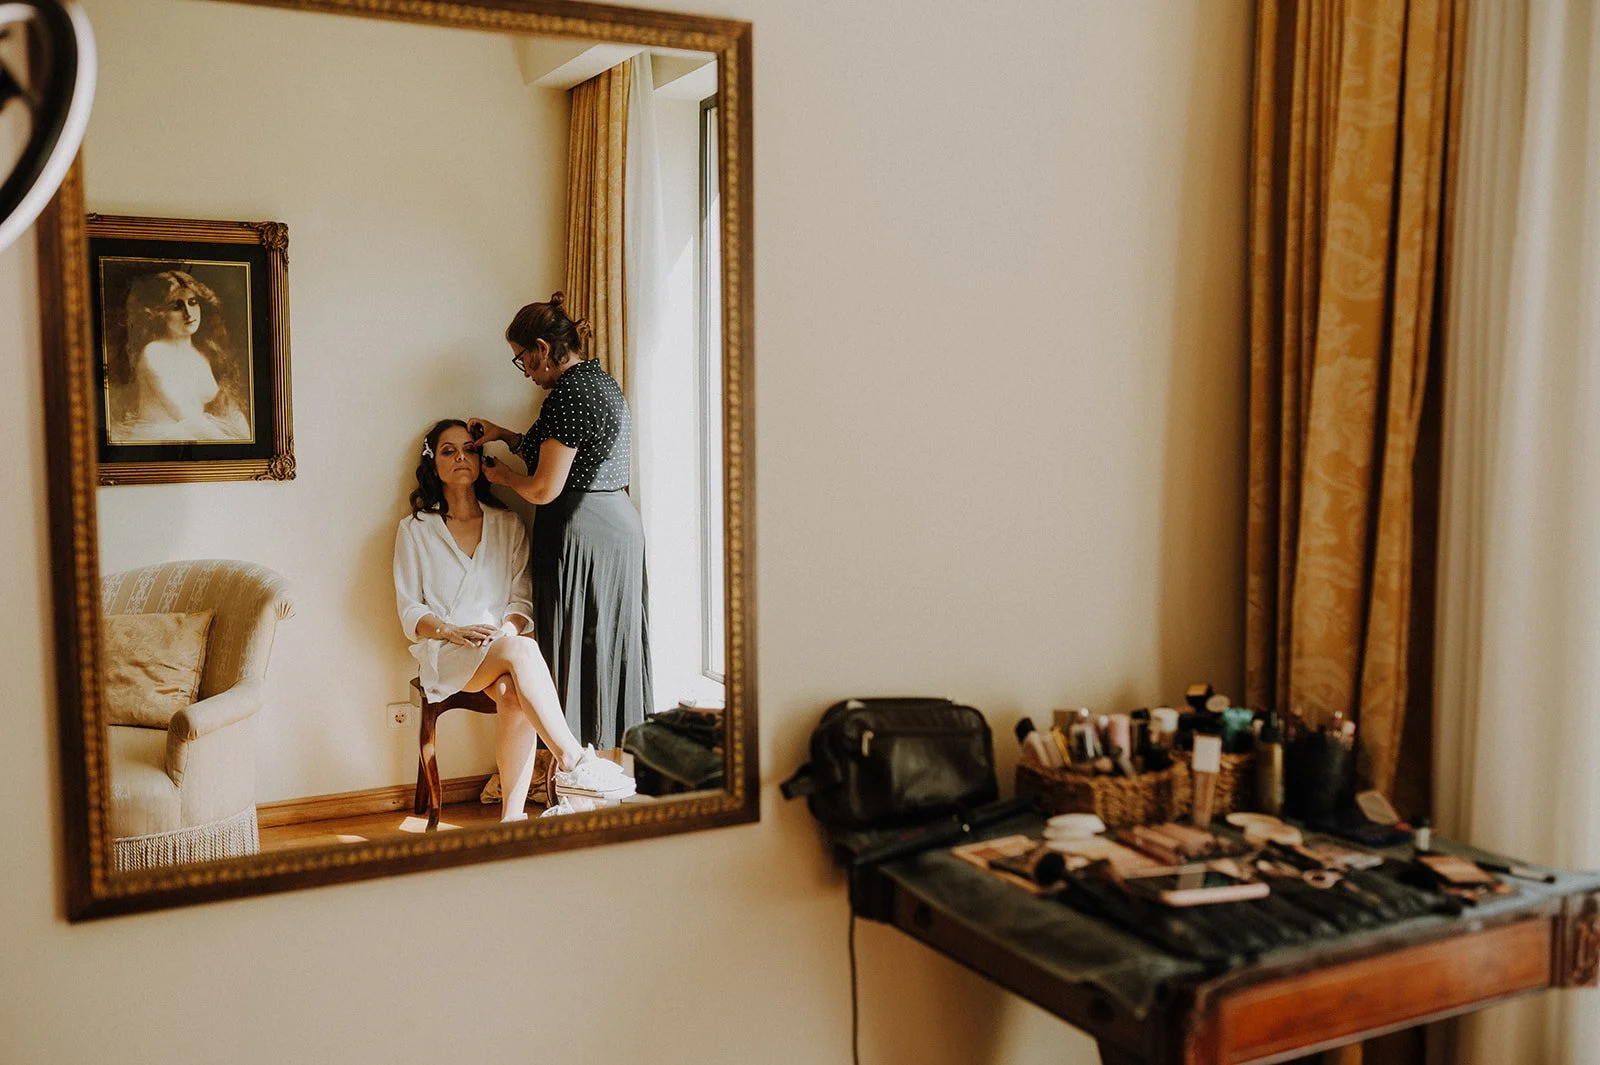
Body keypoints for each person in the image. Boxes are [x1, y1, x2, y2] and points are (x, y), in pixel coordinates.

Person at [393, 418, 634, 821]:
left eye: (469, 449)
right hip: (447, 652)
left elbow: (521, 603)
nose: (461, 458)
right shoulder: (416, 529)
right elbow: (409, 610)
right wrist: (453, 631)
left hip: (500, 648)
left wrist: (503, 633)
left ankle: (511, 819)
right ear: (433, 463)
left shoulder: (507, 523)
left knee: (511, 693)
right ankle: (575, 763)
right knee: (521, 651)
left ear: (481, 458)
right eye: (449, 451)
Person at [470, 292, 654, 751]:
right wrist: (505, 434)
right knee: (607, 644)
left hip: (583, 529)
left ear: (542, 348)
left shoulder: (567, 397)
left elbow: (543, 489)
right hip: (617, 524)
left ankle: (572, 766)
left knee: (576, 645)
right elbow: (567, 455)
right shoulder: (600, 381)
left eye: (522, 361)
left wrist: (500, 476)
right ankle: (607, 760)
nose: (527, 373)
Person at [112, 270, 250, 442]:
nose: (189, 313)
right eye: (176, 306)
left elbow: (227, 408)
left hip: (198, 438)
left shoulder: (203, 354)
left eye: (192, 302)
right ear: (159, 314)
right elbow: (186, 417)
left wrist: (246, 439)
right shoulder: (154, 353)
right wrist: (232, 447)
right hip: (162, 445)